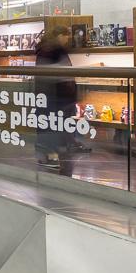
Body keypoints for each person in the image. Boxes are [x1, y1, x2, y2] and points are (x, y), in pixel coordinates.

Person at [34, 26, 77, 170]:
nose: (67, 39)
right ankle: (50, 155)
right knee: (51, 125)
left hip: (53, 94)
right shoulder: (52, 49)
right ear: (59, 35)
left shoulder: (47, 49)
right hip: (53, 94)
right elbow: (52, 71)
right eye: (66, 36)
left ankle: (52, 153)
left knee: (52, 124)